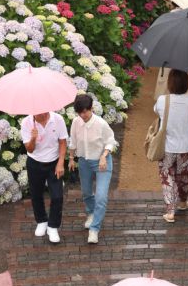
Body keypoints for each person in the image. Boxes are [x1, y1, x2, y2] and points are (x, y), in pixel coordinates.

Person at [68, 93, 116, 245]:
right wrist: (71, 158)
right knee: (86, 193)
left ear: (91, 108)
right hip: (84, 162)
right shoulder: (76, 122)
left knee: (101, 197)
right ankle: (91, 213)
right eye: (79, 113)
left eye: (85, 112)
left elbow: (111, 141)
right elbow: (73, 142)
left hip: (102, 163)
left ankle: (94, 229)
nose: (82, 115)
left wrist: (104, 156)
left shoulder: (101, 124)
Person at [154, 69, 188, 223]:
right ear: (186, 83)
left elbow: (156, 111)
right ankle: (183, 202)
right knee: (184, 177)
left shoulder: (162, 100)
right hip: (186, 146)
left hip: (167, 147)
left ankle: (170, 211)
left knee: (167, 177)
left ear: (170, 83)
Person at [20, 111, 68, 244]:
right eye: (38, 113)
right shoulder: (26, 122)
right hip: (34, 162)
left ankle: (53, 226)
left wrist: (60, 163)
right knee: (36, 194)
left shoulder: (57, 119)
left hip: (54, 162)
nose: (42, 114)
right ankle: (41, 221)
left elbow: (62, 142)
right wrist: (33, 138)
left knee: (57, 196)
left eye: (44, 111)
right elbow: (29, 149)